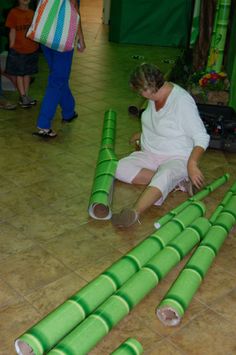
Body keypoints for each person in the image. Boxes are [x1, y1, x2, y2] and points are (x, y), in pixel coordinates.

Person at [112, 63, 210, 228]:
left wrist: (192, 164)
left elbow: (202, 136)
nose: (140, 95)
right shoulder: (154, 96)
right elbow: (160, 124)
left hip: (177, 157)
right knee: (120, 167)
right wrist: (143, 136)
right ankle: (176, 182)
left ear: (149, 88)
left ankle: (134, 212)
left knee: (164, 174)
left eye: (140, 91)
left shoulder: (182, 101)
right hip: (151, 153)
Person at [33, 0, 86, 138]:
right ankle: (44, 124)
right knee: (57, 80)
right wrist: (80, 36)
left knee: (59, 77)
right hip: (63, 38)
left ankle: (69, 111)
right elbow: (73, 9)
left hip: (46, 34)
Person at [4, 0, 39, 108]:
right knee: (20, 73)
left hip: (31, 48)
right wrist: (12, 45)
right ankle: (23, 96)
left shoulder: (33, 13)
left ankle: (25, 96)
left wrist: (36, 44)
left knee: (27, 73)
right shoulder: (13, 12)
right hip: (18, 49)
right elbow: (12, 30)